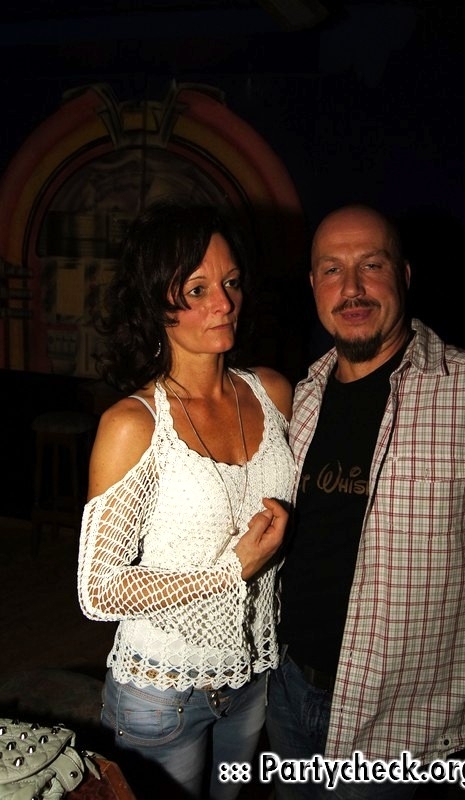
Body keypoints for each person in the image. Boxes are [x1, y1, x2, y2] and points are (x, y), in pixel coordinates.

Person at [266, 204, 465, 799]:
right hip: (289, 692)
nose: (351, 288)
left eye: (372, 264)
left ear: (404, 275)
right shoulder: (300, 398)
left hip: (400, 721)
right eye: (332, 270)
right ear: (312, 284)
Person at [77, 201, 296, 799]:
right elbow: (99, 590)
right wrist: (231, 571)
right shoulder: (134, 424)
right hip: (161, 693)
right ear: (156, 303)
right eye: (197, 290)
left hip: (253, 673)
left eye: (231, 283)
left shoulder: (273, 392)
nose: (223, 303)